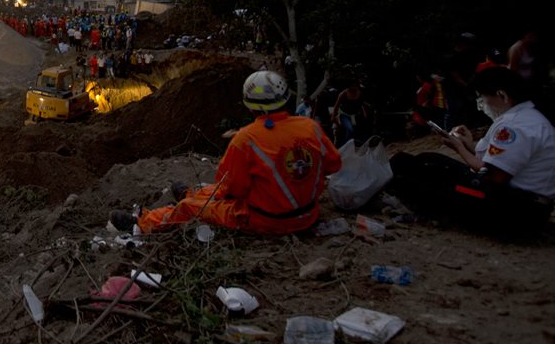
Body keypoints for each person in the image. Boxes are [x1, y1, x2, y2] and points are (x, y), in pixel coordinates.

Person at [111, 71, 341, 235]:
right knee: (215, 190)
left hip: (266, 220)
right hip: (307, 214)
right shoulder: (310, 127)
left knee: (189, 207)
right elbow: (333, 164)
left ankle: (142, 224)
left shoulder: (246, 139)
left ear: (249, 104)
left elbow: (233, 189)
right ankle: (192, 193)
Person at [390, 66, 555, 233]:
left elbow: (493, 176)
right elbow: (499, 163)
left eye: (482, 96)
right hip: (527, 206)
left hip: (516, 210)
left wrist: (459, 148)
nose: (482, 104)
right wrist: (468, 145)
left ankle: (424, 211)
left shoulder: (514, 125)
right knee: (428, 160)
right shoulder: (529, 118)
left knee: (418, 175)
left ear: (502, 95)